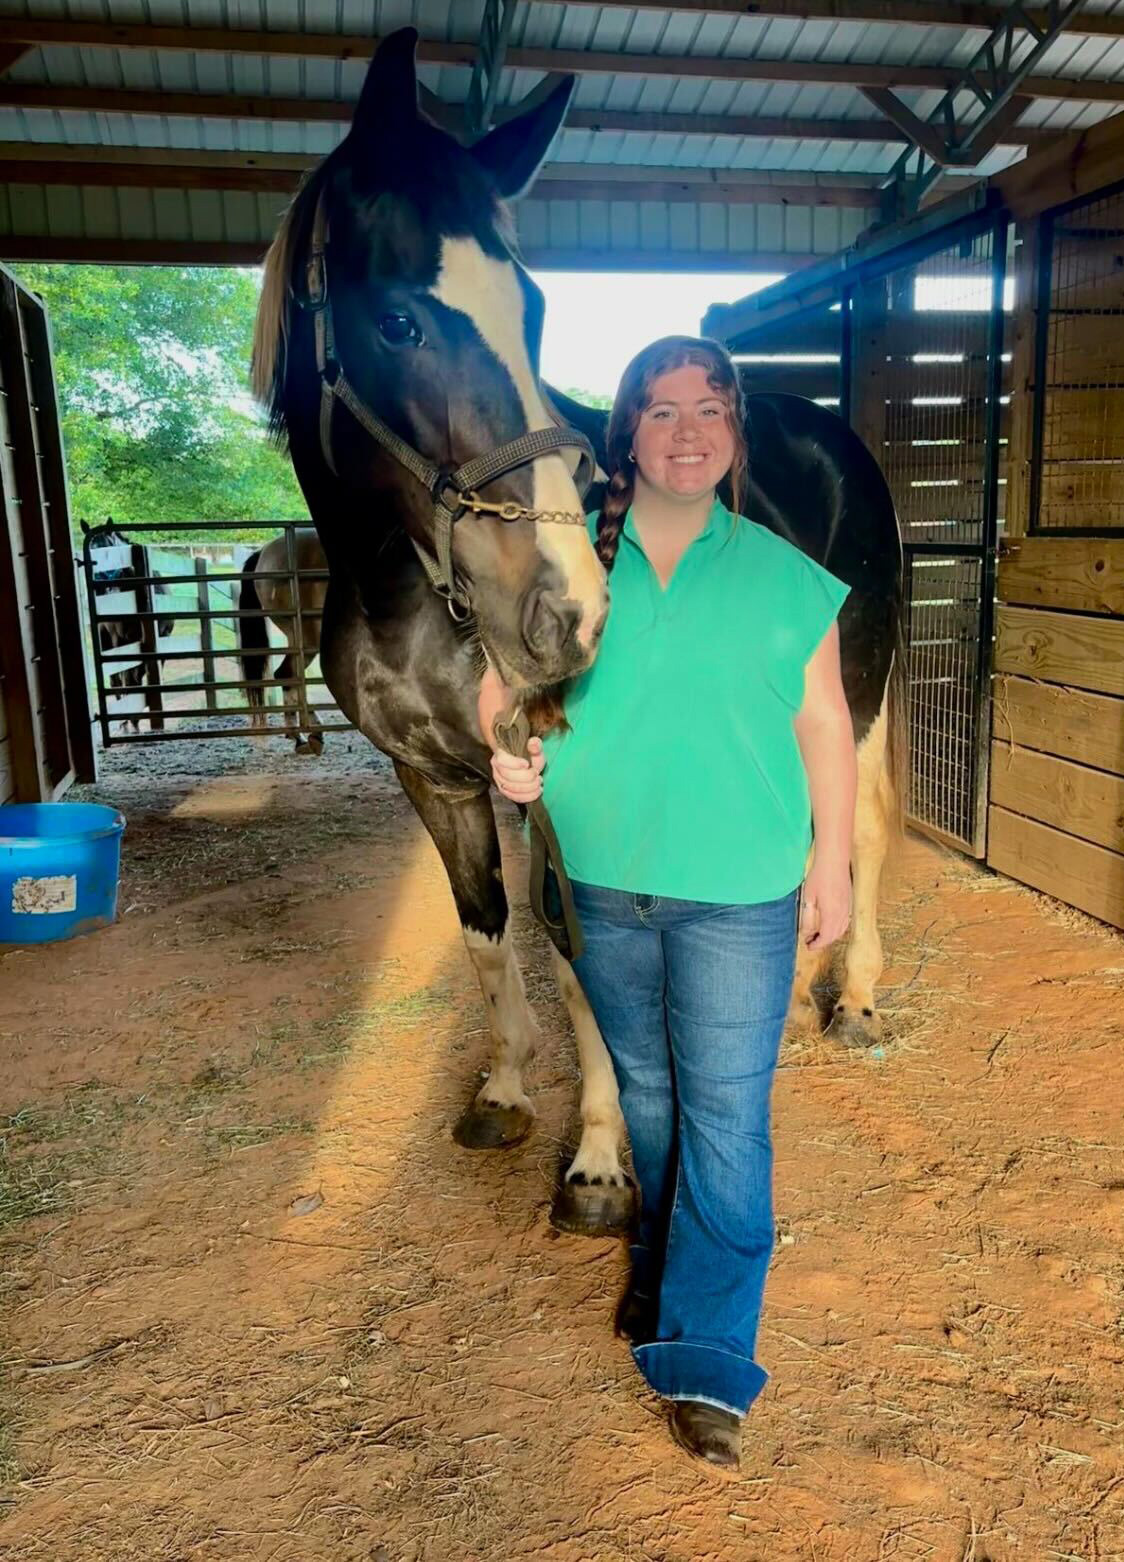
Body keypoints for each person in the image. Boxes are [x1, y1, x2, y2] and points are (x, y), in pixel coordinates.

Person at [479, 336, 856, 1474]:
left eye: (708, 409)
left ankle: (708, 1358)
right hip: (601, 881)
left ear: (734, 430)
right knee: (647, 1094)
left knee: (727, 1117)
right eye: (660, 411)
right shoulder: (568, 565)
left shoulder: (787, 575)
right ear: (627, 436)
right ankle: (659, 1264)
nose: (687, 431)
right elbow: (498, 689)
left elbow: (825, 723)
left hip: (740, 889)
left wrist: (834, 863)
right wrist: (507, 753)